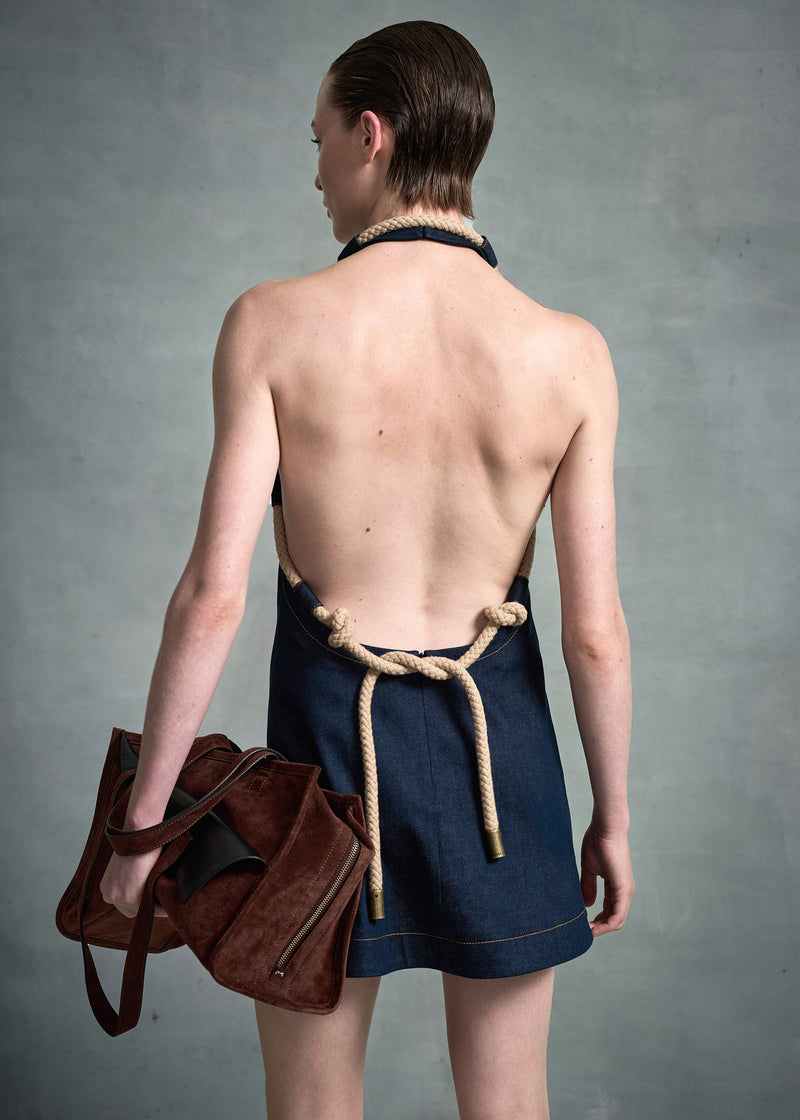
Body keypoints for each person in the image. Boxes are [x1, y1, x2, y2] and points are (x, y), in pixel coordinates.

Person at [100, 20, 633, 1120]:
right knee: (509, 1106)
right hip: (504, 766)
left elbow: (212, 595)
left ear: (371, 135)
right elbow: (594, 634)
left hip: (324, 776)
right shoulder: (570, 352)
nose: (316, 173)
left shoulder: (271, 325)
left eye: (320, 140)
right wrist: (612, 818)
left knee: (309, 1108)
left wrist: (145, 827)